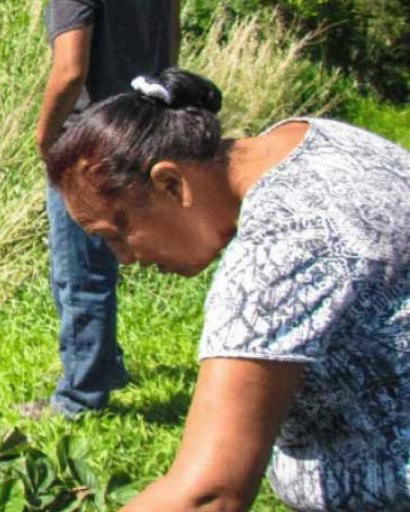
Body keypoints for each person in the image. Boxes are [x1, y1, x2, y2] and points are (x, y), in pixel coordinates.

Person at [45, 68, 410, 510]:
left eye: (115, 234)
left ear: (170, 184)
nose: (123, 259)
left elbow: (208, 495)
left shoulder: (276, 254)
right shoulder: (310, 138)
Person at [31, 0, 180, 418]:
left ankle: (80, 397)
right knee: (97, 262)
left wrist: (45, 138)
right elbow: (170, 41)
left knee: (78, 271)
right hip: (137, 126)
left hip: (88, 141)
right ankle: (106, 367)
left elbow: (70, 70)